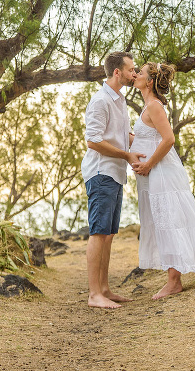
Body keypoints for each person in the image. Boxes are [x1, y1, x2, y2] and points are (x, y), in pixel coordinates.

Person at [130, 62, 195, 300]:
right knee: (163, 220)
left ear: (149, 81)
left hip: (163, 172)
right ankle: (173, 278)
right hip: (155, 174)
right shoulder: (147, 107)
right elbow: (144, 137)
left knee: (169, 220)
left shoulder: (154, 105)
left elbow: (169, 139)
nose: (135, 75)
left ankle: (174, 282)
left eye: (139, 73)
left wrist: (149, 164)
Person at [82, 51, 145, 309]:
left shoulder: (119, 101)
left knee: (108, 235)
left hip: (116, 174)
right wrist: (126, 155)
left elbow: (123, 135)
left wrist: (151, 145)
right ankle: (94, 294)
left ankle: (105, 289)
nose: (134, 74)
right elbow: (93, 141)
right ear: (117, 72)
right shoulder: (100, 101)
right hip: (101, 173)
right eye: (131, 70)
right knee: (98, 233)